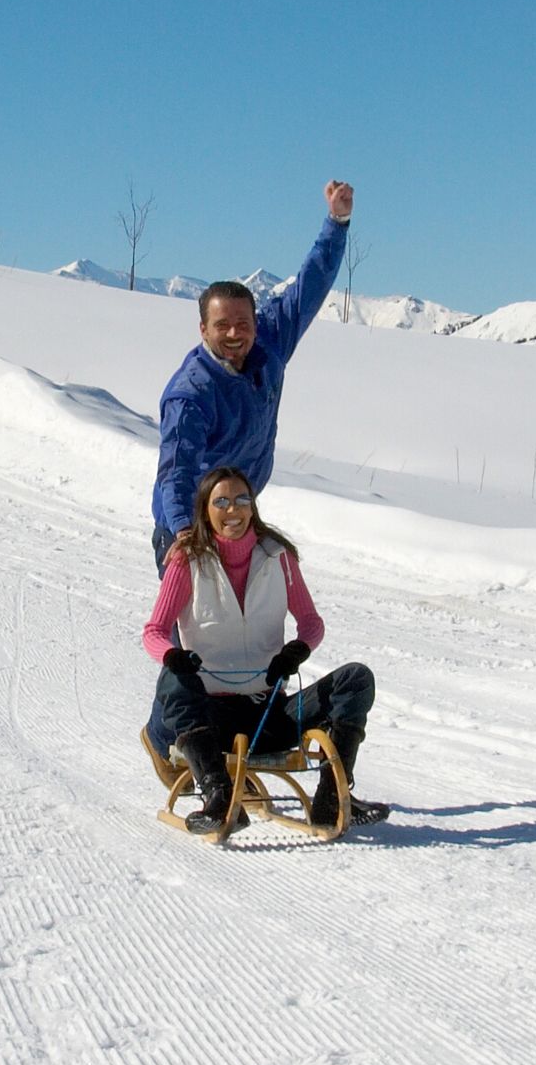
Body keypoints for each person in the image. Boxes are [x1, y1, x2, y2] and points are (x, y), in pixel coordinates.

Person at [143, 468, 384, 834]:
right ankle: (219, 796)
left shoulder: (278, 557)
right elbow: (154, 631)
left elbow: (311, 622)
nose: (233, 510)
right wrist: (173, 656)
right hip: (211, 717)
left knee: (356, 679)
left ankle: (332, 798)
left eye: (241, 499)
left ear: (253, 506)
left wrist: (297, 650)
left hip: (267, 710)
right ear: (206, 510)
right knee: (172, 679)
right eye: (221, 501)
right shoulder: (187, 560)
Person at [152, 183, 354, 563]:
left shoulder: (268, 344)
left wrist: (337, 222)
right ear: (203, 330)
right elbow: (176, 471)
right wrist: (183, 534)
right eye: (222, 325)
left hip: (239, 517)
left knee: (252, 618)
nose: (234, 333)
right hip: (191, 527)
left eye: (242, 323)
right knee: (196, 623)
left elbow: (309, 287)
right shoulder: (191, 394)